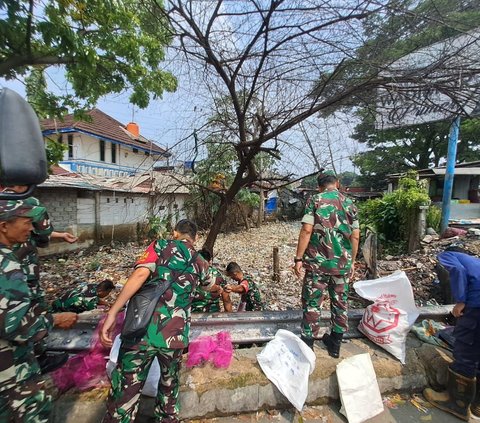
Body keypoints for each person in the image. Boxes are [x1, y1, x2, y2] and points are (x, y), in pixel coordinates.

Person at [100, 219, 214, 423]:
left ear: (175, 232)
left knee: (125, 394)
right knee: (169, 392)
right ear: (195, 238)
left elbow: (140, 274)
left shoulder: (161, 246)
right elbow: (211, 284)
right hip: (174, 339)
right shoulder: (199, 261)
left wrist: (112, 312)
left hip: (142, 334)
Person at [0, 199, 77, 422]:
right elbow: (13, 325)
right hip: (11, 369)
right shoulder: (7, 265)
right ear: (5, 225)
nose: (31, 228)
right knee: (33, 412)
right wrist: (53, 320)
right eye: (27, 223)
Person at [293, 170, 360, 357]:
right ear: (337, 183)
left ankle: (307, 348)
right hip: (342, 265)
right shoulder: (350, 204)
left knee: (312, 303)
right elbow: (355, 236)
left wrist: (298, 258)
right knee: (340, 303)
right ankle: (335, 345)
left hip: (317, 264)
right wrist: (352, 261)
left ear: (319, 186)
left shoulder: (315, 201)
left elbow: (307, 230)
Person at [424, 249, 480, 421]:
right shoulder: (474, 261)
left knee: (466, 349)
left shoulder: (447, 255)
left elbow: (457, 270)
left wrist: (461, 301)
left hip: (476, 306)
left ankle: (457, 404)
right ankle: (476, 405)